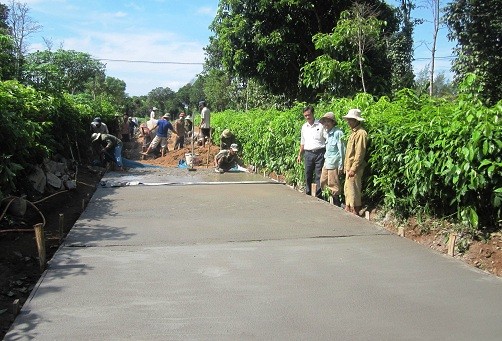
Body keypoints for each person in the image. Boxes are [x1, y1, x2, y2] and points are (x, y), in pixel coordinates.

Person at [342, 108, 368, 215]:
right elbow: (349, 153)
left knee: (354, 189)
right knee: (348, 188)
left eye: (351, 120)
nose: (348, 122)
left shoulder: (361, 133)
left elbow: (359, 153)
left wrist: (353, 168)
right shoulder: (353, 133)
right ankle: (349, 207)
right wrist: (346, 166)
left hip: (355, 167)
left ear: (357, 120)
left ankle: (355, 211)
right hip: (349, 167)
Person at [296, 105, 326, 198]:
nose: (307, 117)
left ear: (313, 113)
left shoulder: (321, 125)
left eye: (309, 115)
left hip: (320, 152)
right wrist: (299, 155)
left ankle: (318, 196)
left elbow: (327, 139)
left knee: (319, 175)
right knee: (308, 174)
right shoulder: (304, 127)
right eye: (305, 115)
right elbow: (302, 142)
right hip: (308, 153)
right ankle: (308, 194)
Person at [319, 112, 345, 206]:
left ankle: (336, 204)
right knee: (323, 181)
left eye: (328, 121)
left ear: (333, 122)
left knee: (333, 185)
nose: (326, 123)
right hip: (327, 162)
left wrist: (341, 165)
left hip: (334, 163)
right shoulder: (328, 133)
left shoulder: (338, 133)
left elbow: (342, 150)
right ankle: (327, 202)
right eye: (325, 121)